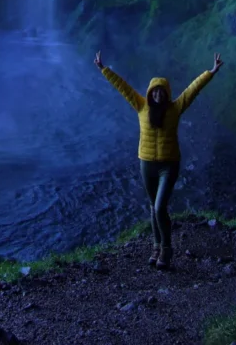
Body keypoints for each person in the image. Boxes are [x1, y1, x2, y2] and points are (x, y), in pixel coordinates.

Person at [94, 50, 224, 269]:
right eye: (155, 92)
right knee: (152, 207)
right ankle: (156, 246)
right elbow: (122, 87)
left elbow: (193, 89)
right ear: (150, 93)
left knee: (160, 206)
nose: (158, 96)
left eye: (161, 93)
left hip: (169, 164)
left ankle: (166, 249)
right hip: (146, 163)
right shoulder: (141, 106)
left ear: (166, 93)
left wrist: (211, 71)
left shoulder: (176, 108)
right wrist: (103, 68)